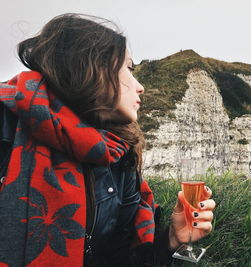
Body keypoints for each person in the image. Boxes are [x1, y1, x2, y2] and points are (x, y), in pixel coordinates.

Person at [0, 13, 215, 266]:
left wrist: (171, 239)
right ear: (91, 66)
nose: (140, 86)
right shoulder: (7, 122)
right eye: (128, 68)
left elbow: (118, 256)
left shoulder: (117, 150)